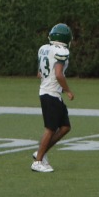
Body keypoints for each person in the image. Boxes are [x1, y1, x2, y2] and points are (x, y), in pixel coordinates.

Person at [33, 23, 74, 173]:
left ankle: (40, 152)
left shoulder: (44, 49)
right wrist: (67, 90)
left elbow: (39, 73)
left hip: (48, 91)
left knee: (65, 127)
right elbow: (58, 73)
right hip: (50, 93)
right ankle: (38, 161)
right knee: (50, 129)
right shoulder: (62, 51)